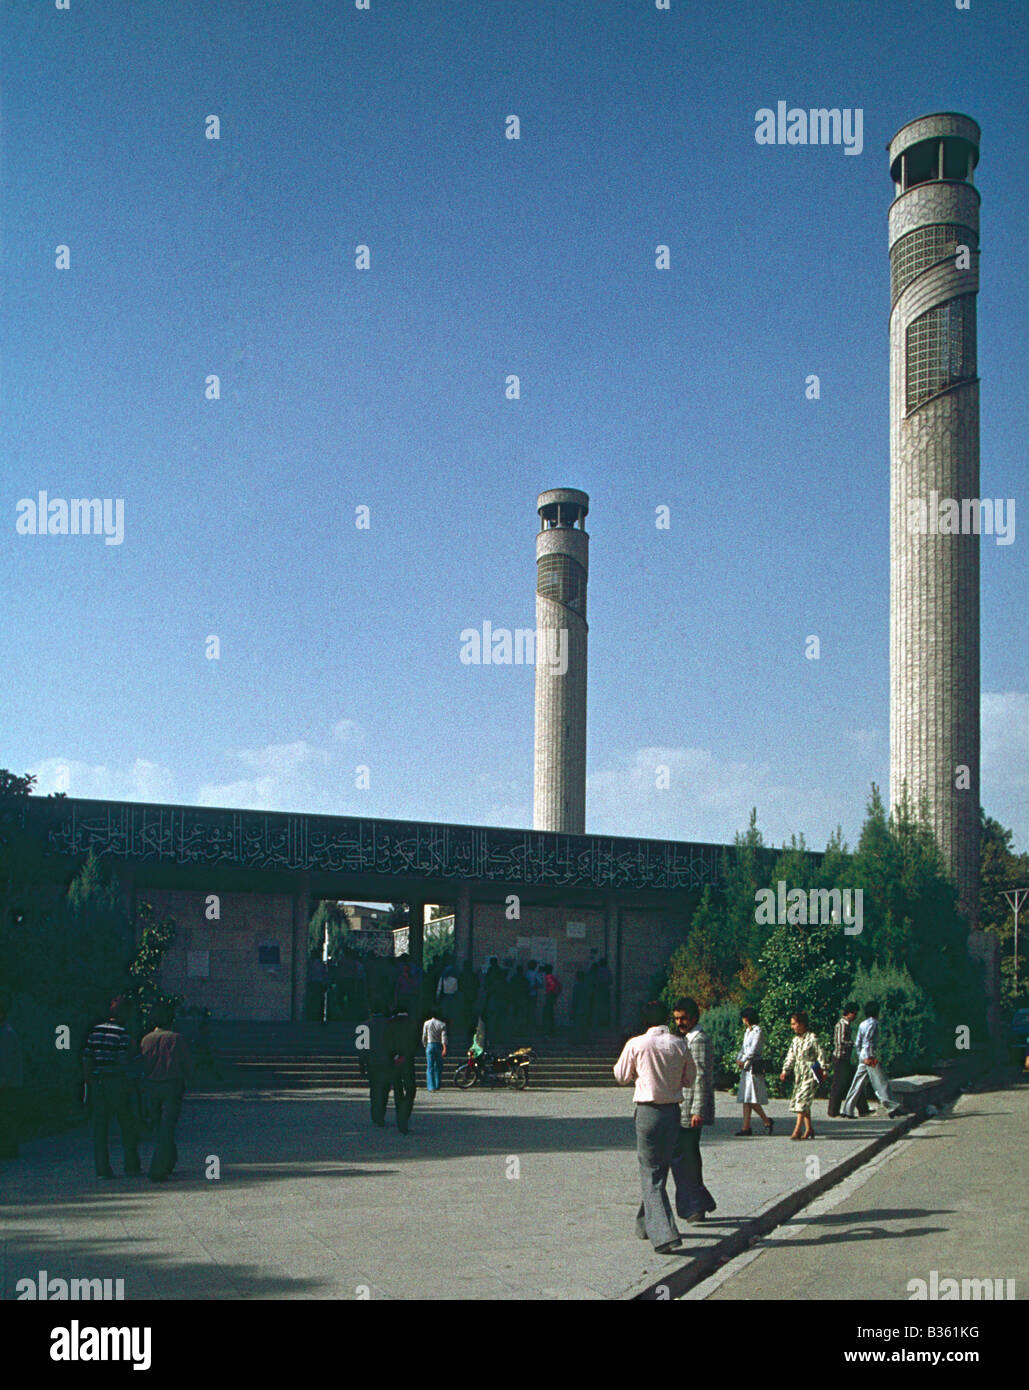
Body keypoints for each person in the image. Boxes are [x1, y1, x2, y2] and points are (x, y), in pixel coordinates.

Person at [613, 1000, 694, 1254]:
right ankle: (645, 1223)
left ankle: (665, 1235)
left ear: (645, 1021)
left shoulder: (636, 1044)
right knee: (659, 1169)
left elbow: (621, 1075)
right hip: (672, 1112)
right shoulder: (679, 1044)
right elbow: (690, 1078)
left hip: (648, 1112)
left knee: (650, 1171)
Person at [83, 996, 142, 1179]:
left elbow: (86, 1059)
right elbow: (124, 1061)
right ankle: (131, 1166)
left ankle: (103, 1169)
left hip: (98, 1082)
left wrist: (90, 1081)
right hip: (116, 1083)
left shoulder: (94, 1032)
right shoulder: (122, 1034)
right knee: (127, 1125)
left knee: (101, 1128)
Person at [671, 998, 717, 1221]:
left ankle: (696, 1206)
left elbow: (700, 1076)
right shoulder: (687, 1038)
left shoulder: (698, 1040)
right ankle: (699, 1201)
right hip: (683, 1106)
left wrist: (697, 1110)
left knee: (685, 1156)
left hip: (691, 1110)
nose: (680, 1023)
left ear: (694, 1018)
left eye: (684, 1018)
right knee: (686, 1155)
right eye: (677, 1018)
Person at [139, 1001, 194, 1182]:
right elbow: (187, 1063)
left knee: (159, 1126)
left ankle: (169, 1160)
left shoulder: (145, 1039)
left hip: (152, 1086)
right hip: (172, 1085)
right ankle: (159, 1167)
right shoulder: (177, 1038)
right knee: (168, 1126)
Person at [840, 1001, 903, 1118]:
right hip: (870, 1057)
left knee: (857, 1084)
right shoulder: (873, 1024)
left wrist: (861, 1056)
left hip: (863, 1057)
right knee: (881, 1082)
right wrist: (868, 1057)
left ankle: (847, 1110)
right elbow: (868, 1041)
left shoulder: (862, 1024)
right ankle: (892, 1107)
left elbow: (858, 1042)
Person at [779, 1011, 829, 1140]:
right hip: (799, 1074)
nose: (792, 1027)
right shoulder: (795, 1040)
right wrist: (785, 1070)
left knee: (802, 1100)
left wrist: (823, 1069)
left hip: (811, 1072)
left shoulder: (812, 1038)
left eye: (794, 1024)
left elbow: (821, 1054)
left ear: (801, 1024)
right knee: (803, 1100)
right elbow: (791, 1056)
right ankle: (809, 1129)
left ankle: (797, 1130)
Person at [734, 1007, 773, 1135]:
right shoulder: (747, 1031)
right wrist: (738, 1059)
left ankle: (766, 1120)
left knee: (751, 1098)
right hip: (746, 1067)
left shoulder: (757, 1031)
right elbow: (744, 1048)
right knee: (746, 1098)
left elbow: (753, 1049)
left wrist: (744, 1059)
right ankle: (746, 1127)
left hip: (753, 1065)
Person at [828, 1002, 869, 1118]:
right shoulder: (842, 1024)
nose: (855, 1017)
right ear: (849, 1013)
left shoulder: (847, 1025)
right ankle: (833, 1111)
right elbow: (840, 1041)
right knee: (839, 1085)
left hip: (845, 1059)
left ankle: (863, 1108)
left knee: (854, 1082)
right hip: (840, 1059)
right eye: (854, 1014)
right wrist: (853, 1044)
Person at [0, 991, 23, 1160]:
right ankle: (9, 1148)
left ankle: (9, 1149)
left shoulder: (6, 1034)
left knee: (7, 1117)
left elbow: (5, 1061)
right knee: (8, 1117)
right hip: (10, 1082)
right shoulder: (7, 1032)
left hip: (7, 1084)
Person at [421, 1007, 448, 1093]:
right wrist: (444, 1048)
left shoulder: (426, 1023)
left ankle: (431, 1086)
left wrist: (425, 1044)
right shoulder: (442, 1024)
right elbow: (444, 1037)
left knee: (430, 1066)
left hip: (430, 1044)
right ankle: (437, 1084)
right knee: (438, 1066)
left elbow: (424, 1035)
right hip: (438, 1045)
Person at [542, 965, 562, 1035]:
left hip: (549, 997)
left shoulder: (548, 977)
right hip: (551, 996)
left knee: (547, 1014)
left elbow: (553, 986)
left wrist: (550, 994)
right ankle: (551, 1030)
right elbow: (559, 986)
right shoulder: (552, 977)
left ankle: (548, 1031)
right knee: (550, 1014)